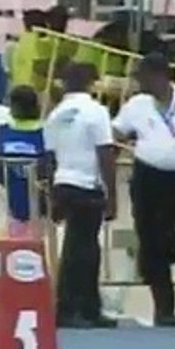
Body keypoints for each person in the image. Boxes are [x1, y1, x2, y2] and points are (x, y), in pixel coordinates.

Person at [113, 52, 175, 328]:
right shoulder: (136, 105)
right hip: (147, 179)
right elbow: (115, 134)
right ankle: (164, 310)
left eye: (142, 77)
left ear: (159, 75)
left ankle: (147, 263)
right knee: (151, 241)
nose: (139, 82)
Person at [44, 63, 118, 329]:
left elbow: (49, 157)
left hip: (64, 182)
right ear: (91, 83)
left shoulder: (55, 115)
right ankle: (70, 307)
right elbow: (105, 153)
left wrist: (52, 193)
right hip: (87, 184)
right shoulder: (96, 111)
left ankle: (88, 306)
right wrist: (112, 194)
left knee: (83, 246)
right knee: (82, 249)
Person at [0, 85, 48, 237]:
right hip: (41, 201)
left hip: (13, 199)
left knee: (16, 240)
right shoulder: (45, 131)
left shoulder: (3, 132)